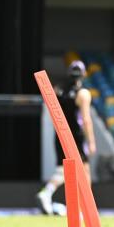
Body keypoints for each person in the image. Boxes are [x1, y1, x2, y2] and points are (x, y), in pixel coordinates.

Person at [36, 60, 96, 216]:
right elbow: (86, 119)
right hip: (76, 136)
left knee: (63, 170)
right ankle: (84, 209)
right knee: (84, 172)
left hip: (60, 135)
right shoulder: (83, 93)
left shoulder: (58, 90)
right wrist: (91, 141)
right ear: (83, 74)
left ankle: (47, 192)